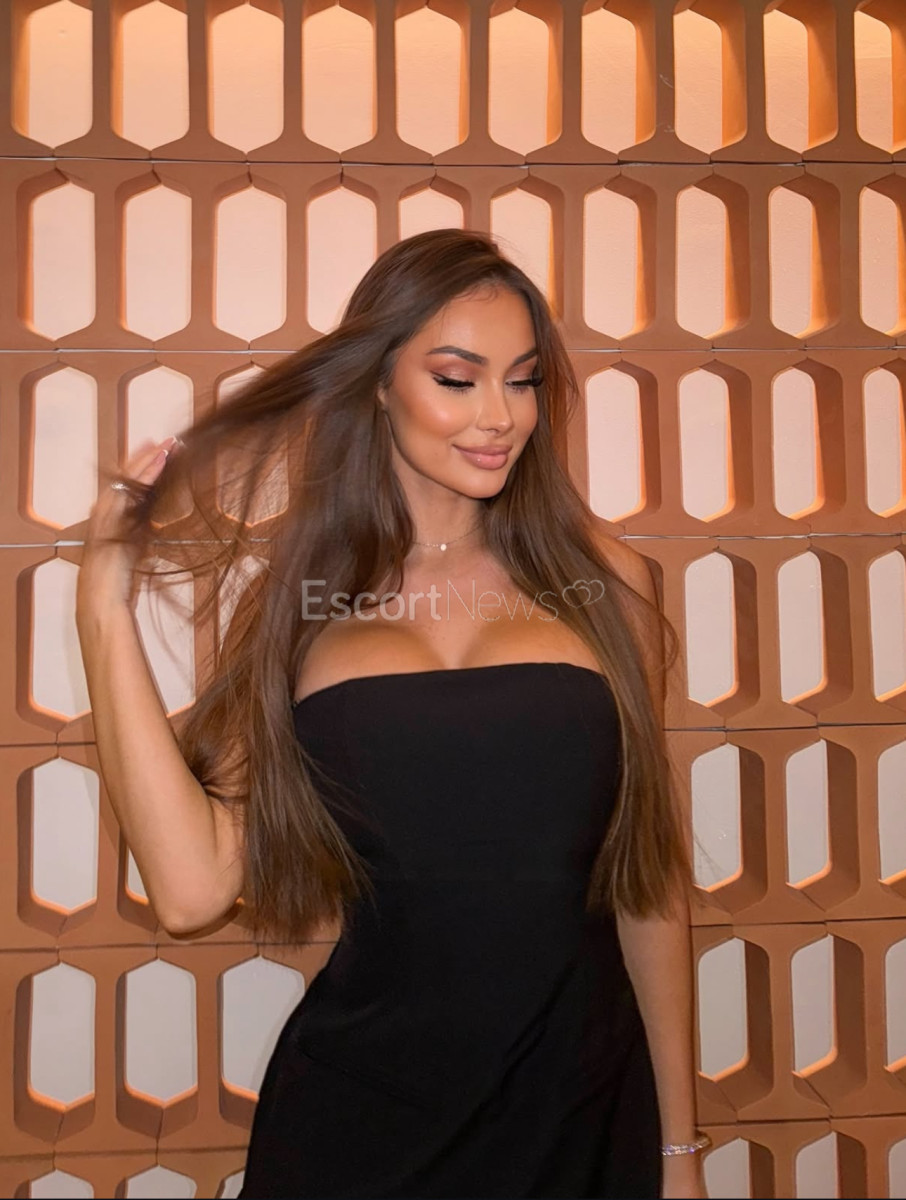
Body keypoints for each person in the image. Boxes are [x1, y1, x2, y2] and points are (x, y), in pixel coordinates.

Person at [76, 229, 708, 1199]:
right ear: (378, 384)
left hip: (582, 1116)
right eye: (457, 379)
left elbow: (647, 883)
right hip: (358, 1128)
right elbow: (193, 889)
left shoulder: (605, 587)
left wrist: (678, 1152)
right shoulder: (304, 611)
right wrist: (102, 607)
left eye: (524, 380)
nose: (500, 416)